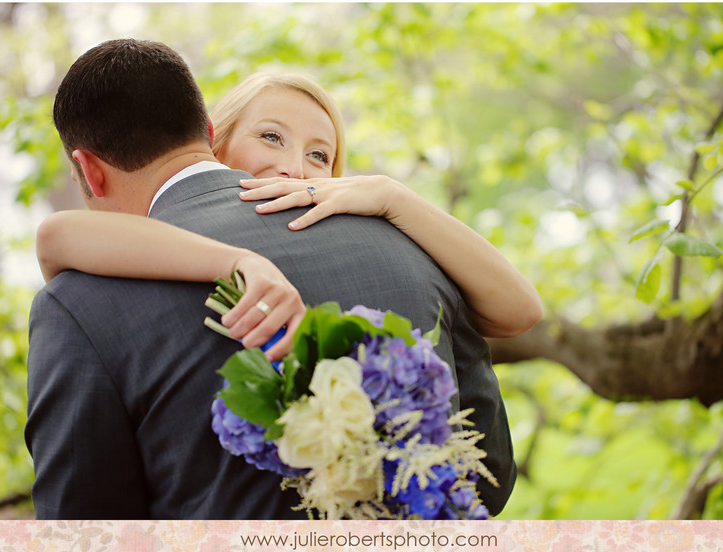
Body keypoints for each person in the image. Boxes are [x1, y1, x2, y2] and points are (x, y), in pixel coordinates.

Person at [26, 38, 530, 519]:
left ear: (88, 172)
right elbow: (488, 476)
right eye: (271, 137)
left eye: (319, 155)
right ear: (211, 134)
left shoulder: (79, 300)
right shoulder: (412, 251)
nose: (293, 170)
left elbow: (83, 527)